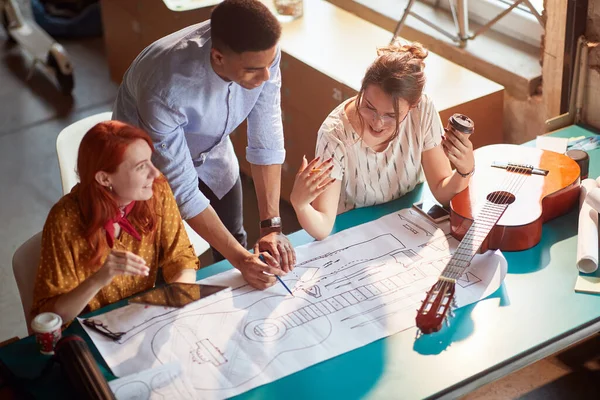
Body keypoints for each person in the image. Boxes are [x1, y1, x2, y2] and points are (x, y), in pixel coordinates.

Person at [112, 0, 295, 289]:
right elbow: (183, 189)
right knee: (161, 266)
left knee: (235, 241)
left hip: (214, 155)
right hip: (147, 170)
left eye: (269, 65)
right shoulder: (164, 86)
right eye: (253, 71)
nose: (265, 78)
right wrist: (242, 260)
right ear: (218, 57)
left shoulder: (261, 56)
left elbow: (266, 137)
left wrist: (270, 226)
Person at [31, 121, 278, 322]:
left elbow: (179, 257)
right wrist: (100, 277)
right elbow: (51, 316)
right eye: (141, 167)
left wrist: (179, 294)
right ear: (105, 178)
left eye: (151, 160)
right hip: (91, 336)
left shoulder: (157, 190)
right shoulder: (64, 221)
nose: (155, 172)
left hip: (145, 320)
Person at [289, 42, 475, 240]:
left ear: (413, 106)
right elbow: (323, 226)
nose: (377, 123)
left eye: (391, 115)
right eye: (369, 106)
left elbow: (442, 192)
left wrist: (465, 171)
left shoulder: (423, 110)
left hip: (409, 220)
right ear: (362, 90)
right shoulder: (335, 134)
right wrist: (300, 204)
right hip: (355, 232)